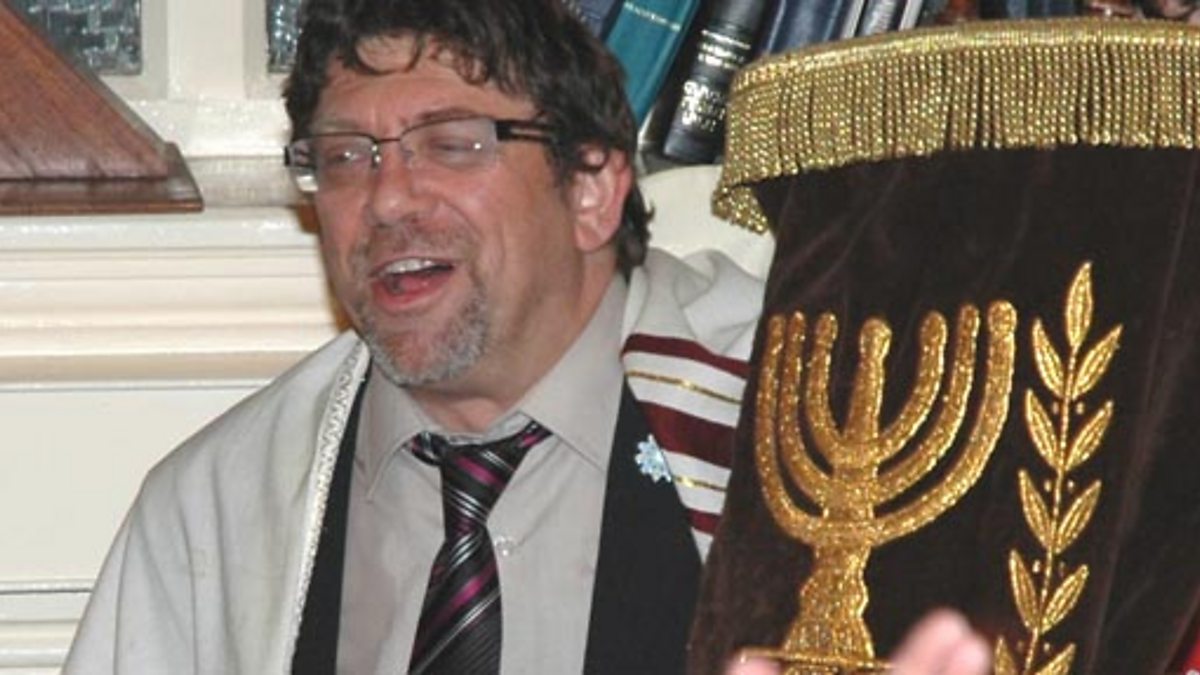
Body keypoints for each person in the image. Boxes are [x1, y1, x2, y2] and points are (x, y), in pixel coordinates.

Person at [64, 1, 995, 673]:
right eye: (345, 157)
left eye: (451, 142)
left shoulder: (821, 434)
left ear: (591, 187)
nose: (386, 199)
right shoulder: (219, 510)